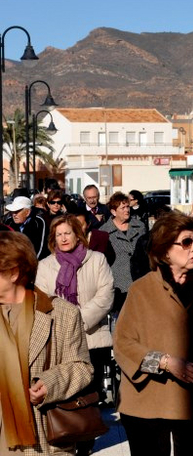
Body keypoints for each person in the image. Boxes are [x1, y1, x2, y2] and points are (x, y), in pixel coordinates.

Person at [113, 213, 193, 456]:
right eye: (186, 242)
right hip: (148, 403)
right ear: (164, 251)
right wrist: (165, 362)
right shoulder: (141, 289)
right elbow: (123, 343)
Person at [0, 231, 93, 456]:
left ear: (13, 273)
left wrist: (49, 383)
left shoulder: (61, 314)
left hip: (41, 440)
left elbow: (82, 367)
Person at [35, 215, 115, 454]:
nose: (63, 238)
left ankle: (86, 441)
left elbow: (106, 295)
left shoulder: (96, 259)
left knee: (89, 397)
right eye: (58, 234)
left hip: (92, 337)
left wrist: (77, 320)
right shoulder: (45, 265)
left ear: (77, 235)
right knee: (65, 396)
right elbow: (42, 300)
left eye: (67, 233)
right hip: (59, 341)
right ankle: (67, 439)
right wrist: (65, 325)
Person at [100, 192, 147, 310]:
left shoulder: (140, 226)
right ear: (113, 211)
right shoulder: (103, 232)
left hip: (140, 280)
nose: (127, 210)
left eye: (127, 207)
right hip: (118, 284)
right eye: (122, 208)